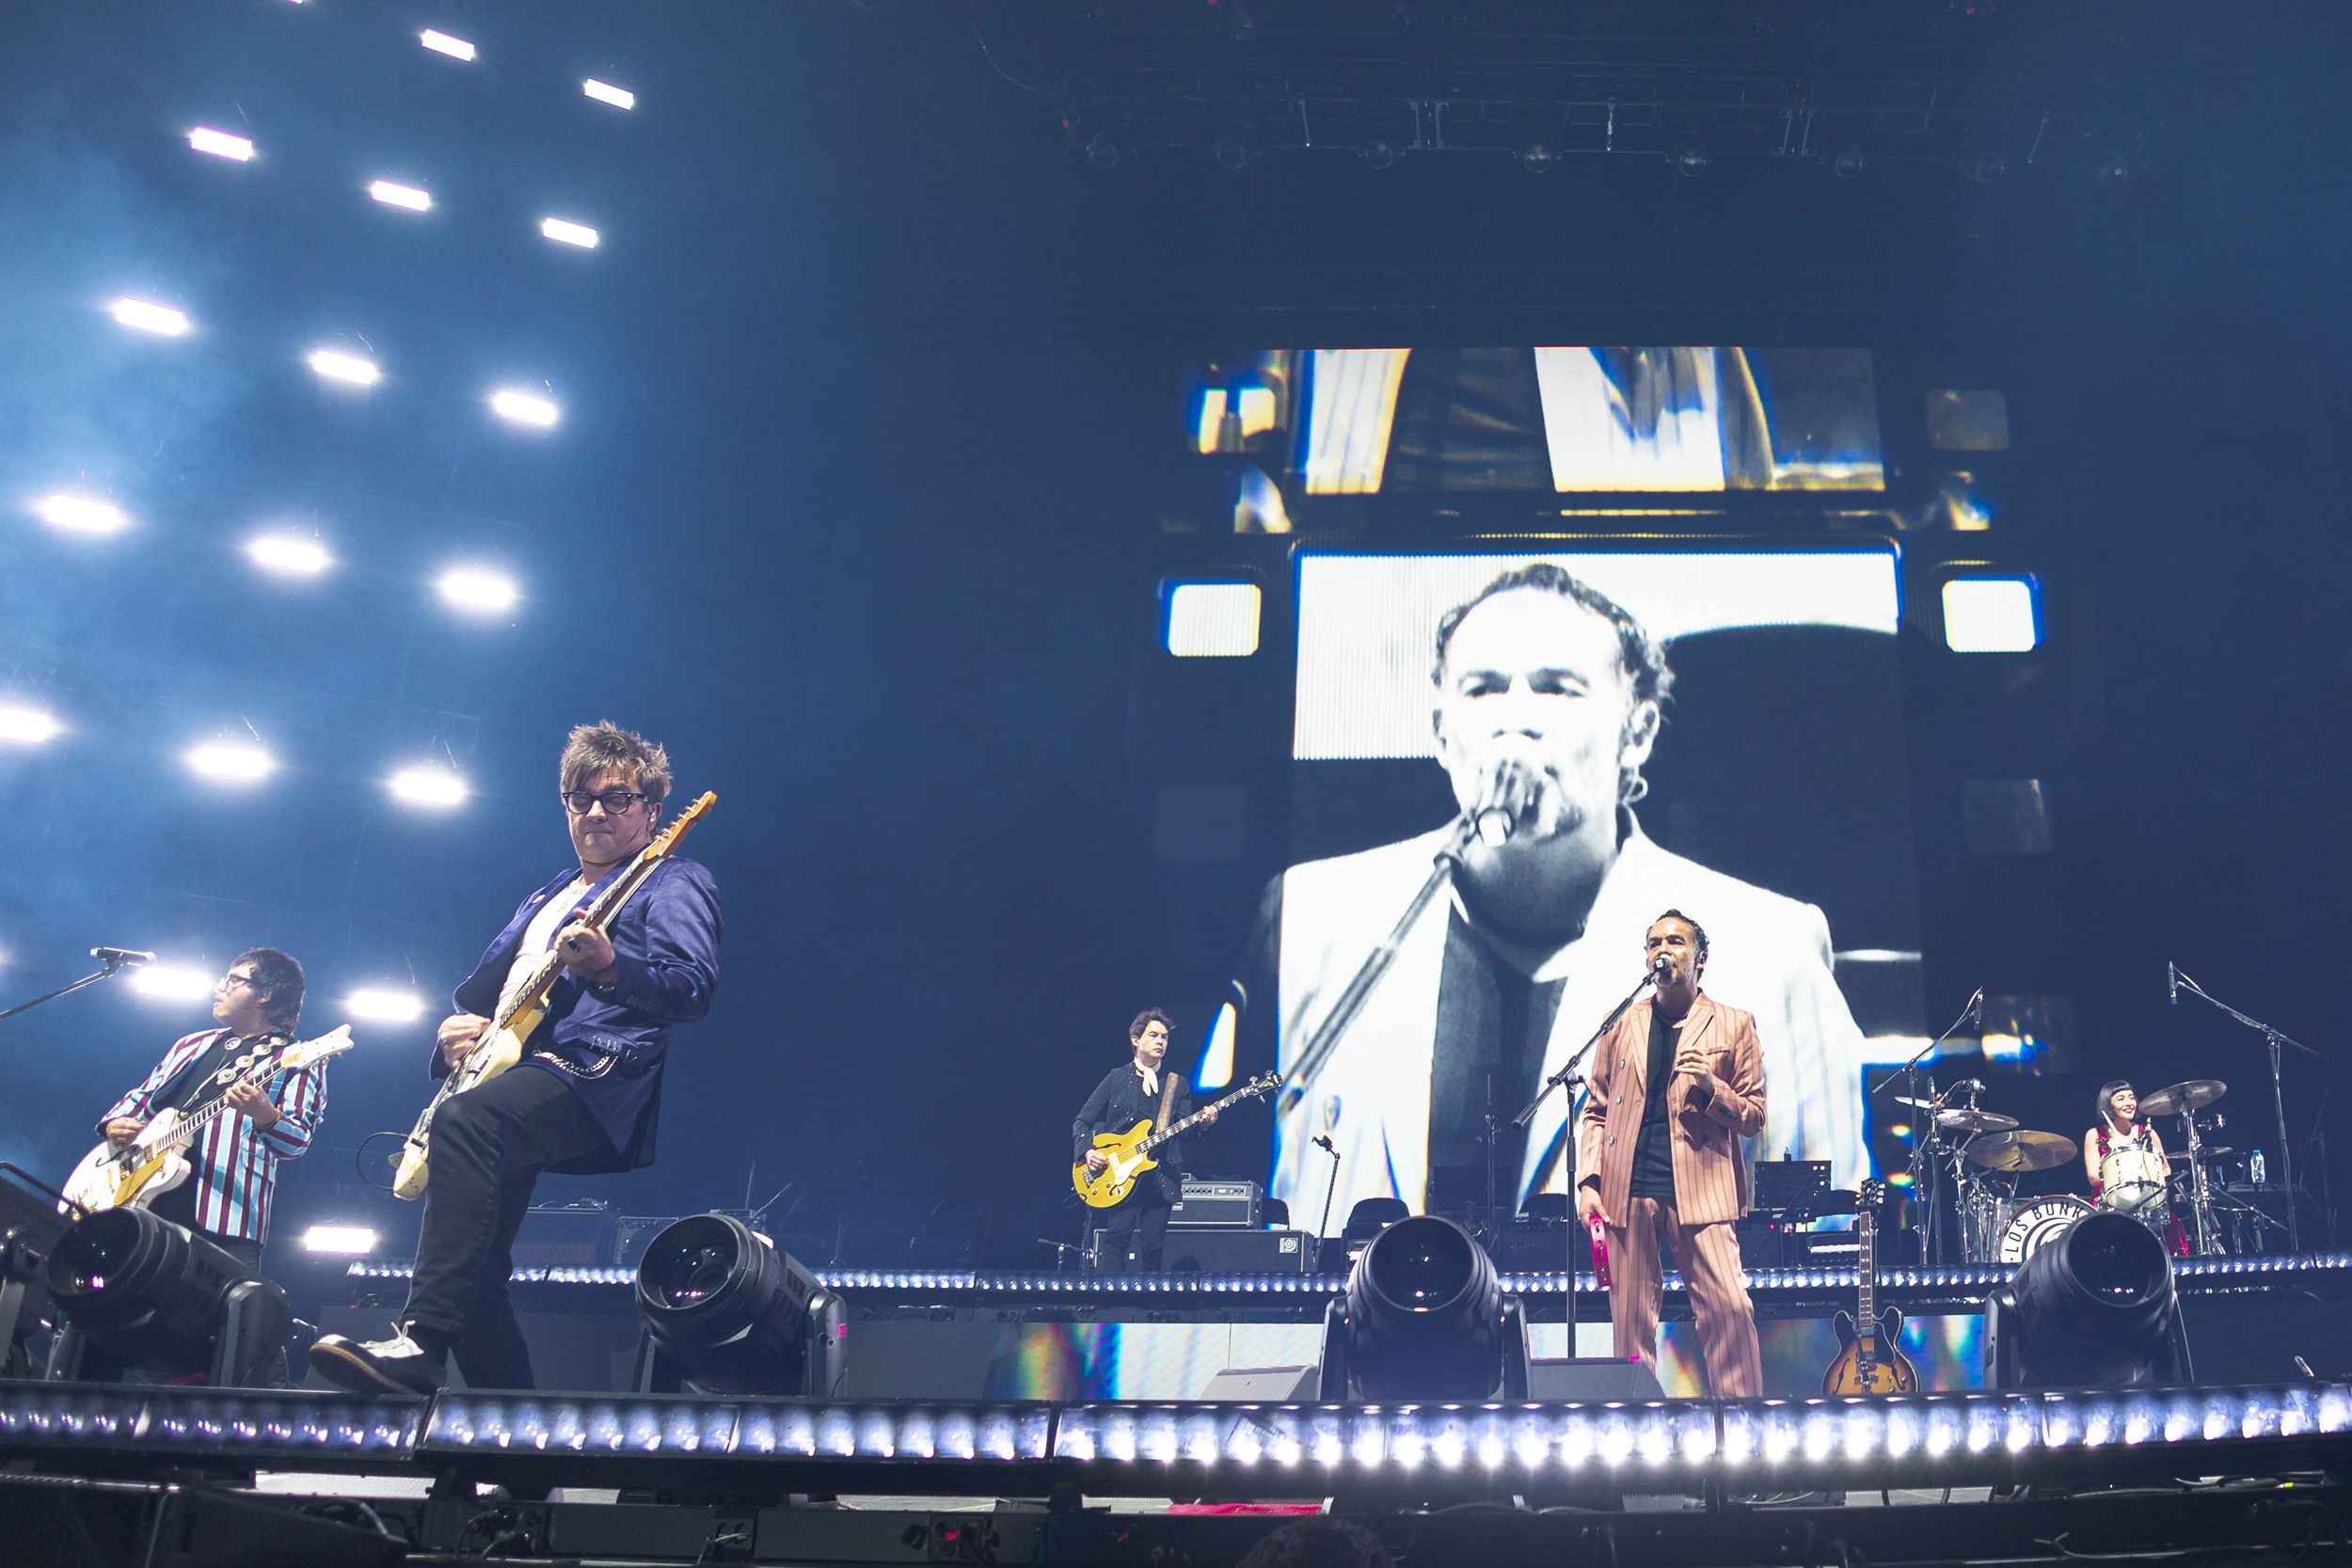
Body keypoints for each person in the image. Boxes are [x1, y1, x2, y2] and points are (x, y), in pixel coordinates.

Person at [1257, 562, 1868, 1229]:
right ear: (1440, 730)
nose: (1515, 719)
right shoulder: (1311, 919)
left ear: (1637, 734)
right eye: (1483, 688)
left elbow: (1830, 1252)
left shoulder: (1769, 951)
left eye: (1557, 689)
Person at [310, 721, 720, 1394]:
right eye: (579, 797)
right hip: (516, 1071)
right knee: (472, 1276)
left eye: (616, 798)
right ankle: (522, 1460)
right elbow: (501, 1004)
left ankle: (422, 1343)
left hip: (591, 1069)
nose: (594, 811)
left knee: (468, 1123)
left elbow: (691, 986)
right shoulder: (547, 894)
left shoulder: (672, 879)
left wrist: (613, 965)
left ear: (652, 810)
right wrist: (455, 1041)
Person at [88, 948, 324, 1383]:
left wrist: (264, 1113)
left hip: (223, 1217)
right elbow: (142, 1097)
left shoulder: (299, 1056)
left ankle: (253, 1432)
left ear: (265, 994)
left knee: (237, 1334)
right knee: (104, 1313)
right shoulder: (190, 1044)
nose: (220, 986)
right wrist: (114, 1123)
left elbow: (297, 1141)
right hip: (141, 1204)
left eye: (234, 980)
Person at [1577, 911, 1764, 1397]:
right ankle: (1637, 1434)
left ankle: (1743, 1426)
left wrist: (1711, 1087)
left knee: (1729, 1310)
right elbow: (1595, 1110)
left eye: (1676, 940)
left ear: (1700, 959)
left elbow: (1754, 1116)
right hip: (1628, 1190)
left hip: (1701, 1189)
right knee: (1631, 1327)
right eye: (1655, 941)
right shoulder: (1619, 1023)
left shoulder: (1734, 1024)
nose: (1664, 948)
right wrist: (1588, 1183)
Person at [1073, 1009, 1216, 1271]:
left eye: (1164, 1037)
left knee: (1154, 1246)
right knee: (1116, 1238)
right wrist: (1088, 1151)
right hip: (1120, 1172)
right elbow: (1082, 1120)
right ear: (1136, 1040)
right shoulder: (1117, 1078)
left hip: (1160, 1174)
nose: (1161, 1041)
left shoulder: (1176, 1084)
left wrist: (1202, 1125)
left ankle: (1150, 1310)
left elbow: (1184, 1132)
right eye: (1153, 1035)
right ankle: (1107, 1302)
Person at [2086, 1080, 2172, 1209]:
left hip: (2146, 1201)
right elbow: (2093, 1177)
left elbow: (2166, 1169)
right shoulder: (2095, 1134)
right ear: (2109, 1106)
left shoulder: (2148, 1133)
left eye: (2131, 1098)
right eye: (2120, 1099)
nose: (2129, 1103)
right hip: (2107, 1204)